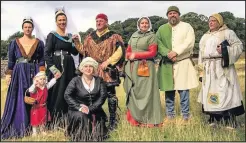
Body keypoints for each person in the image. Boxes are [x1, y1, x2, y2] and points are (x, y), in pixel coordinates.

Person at [74, 13, 125, 130]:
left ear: (106, 22)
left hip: (108, 70)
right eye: (97, 21)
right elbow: (84, 51)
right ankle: (97, 118)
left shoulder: (114, 36)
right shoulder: (89, 37)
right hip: (94, 71)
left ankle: (113, 120)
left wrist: (108, 62)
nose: (98, 23)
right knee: (94, 96)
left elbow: (120, 51)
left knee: (111, 95)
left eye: (101, 21)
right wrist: (77, 42)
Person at [197, 13, 245, 129]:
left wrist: (224, 49)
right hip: (208, 68)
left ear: (220, 22)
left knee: (225, 92)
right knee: (210, 93)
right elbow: (201, 54)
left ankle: (229, 120)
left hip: (222, 67)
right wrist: (200, 71)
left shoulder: (228, 33)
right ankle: (213, 118)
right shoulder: (205, 36)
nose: (211, 22)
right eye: (209, 21)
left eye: (214, 20)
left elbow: (238, 47)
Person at [1, 17, 46, 139]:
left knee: (34, 98)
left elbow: (42, 60)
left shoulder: (39, 43)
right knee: (20, 97)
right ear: (22, 28)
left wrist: (41, 74)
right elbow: (11, 61)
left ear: (32, 28)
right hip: (19, 72)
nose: (27, 29)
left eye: (30, 27)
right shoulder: (14, 43)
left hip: (34, 72)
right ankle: (21, 125)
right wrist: (8, 75)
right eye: (25, 27)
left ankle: (35, 126)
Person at [156, 6, 199, 123]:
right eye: (170, 13)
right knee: (169, 91)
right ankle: (170, 115)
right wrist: (168, 53)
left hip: (182, 62)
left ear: (179, 15)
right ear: (167, 16)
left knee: (183, 90)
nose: (172, 15)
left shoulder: (187, 27)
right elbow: (158, 43)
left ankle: (186, 115)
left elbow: (189, 42)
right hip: (167, 63)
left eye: (175, 13)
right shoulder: (161, 29)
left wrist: (176, 52)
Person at [123, 16, 163, 127]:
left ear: (149, 25)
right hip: (133, 66)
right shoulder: (133, 35)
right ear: (139, 25)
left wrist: (135, 55)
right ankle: (135, 120)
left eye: (146, 23)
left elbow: (152, 53)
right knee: (134, 90)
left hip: (145, 66)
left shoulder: (152, 36)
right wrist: (127, 56)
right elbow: (128, 50)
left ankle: (148, 120)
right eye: (142, 23)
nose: (144, 25)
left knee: (146, 92)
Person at [44, 7, 81, 126]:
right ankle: (54, 120)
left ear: (67, 21)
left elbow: (75, 52)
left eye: (64, 20)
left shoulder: (70, 36)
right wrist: (54, 70)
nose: (62, 22)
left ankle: (68, 119)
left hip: (69, 66)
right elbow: (46, 53)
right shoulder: (52, 35)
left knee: (68, 91)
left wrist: (76, 42)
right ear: (56, 22)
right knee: (56, 92)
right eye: (59, 20)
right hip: (57, 66)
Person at [64, 57, 108, 141]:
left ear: (94, 69)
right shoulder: (75, 80)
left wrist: (90, 108)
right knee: (82, 116)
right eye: (86, 66)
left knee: (99, 133)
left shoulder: (99, 80)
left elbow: (103, 97)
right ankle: (84, 138)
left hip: (95, 109)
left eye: (91, 66)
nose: (88, 68)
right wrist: (79, 107)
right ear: (82, 68)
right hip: (77, 110)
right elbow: (67, 95)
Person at [25, 71, 60, 136]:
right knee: (35, 119)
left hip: (43, 107)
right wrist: (34, 83)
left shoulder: (45, 86)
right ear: (37, 80)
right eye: (41, 79)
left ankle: (42, 130)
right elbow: (30, 90)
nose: (42, 80)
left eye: (44, 79)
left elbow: (51, 83)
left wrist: (55, 78)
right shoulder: (35, 88)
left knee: (42, 119)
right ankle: (34, 132)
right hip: (36, 107)